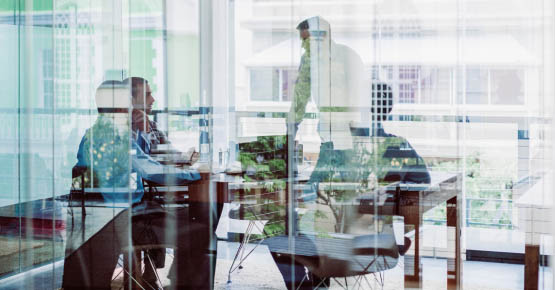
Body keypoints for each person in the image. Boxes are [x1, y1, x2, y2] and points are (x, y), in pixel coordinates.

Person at [62, 80, 216, 290]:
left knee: (184, 220)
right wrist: (195, 173)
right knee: (201, 232)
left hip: (102, 220)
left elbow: (142, 162)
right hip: (125, 221)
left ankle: (162, 278)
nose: (133, 107)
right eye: (129, 103)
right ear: (119, 106)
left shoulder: (92, 134)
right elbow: (150, 169)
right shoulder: (116, 136)